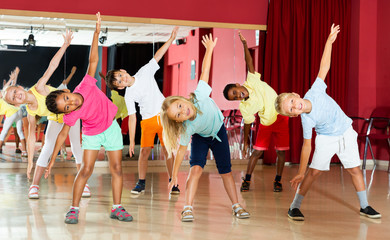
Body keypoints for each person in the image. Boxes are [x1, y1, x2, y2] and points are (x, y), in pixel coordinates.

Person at [274, 24, 381, 220]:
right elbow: (307, 146)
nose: (294, 106)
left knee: (354, 169)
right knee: (314, 173)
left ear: (296, 95)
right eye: (290, 110)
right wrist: (300, 171)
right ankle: (294, 207)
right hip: (326, 138)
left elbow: (324, 67)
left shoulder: (314, 91)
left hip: (346, 131)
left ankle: (365, 206)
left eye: (291, 101)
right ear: (294, 116)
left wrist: (329, 41)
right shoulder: (306, 119)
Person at [45, 12, 133, 224]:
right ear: (66, 112)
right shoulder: (72, 115)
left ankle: (117, 207)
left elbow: (93, 59)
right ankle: (73, 209)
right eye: (66, 107)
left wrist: (96, 32)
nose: (71, 103)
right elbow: (61, 136)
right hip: (92, 134)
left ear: (67, 91)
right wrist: (51, 161)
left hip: (111, 128)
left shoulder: (84, 85)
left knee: (117, 169)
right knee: (86, 169)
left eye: (67, 98)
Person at [162, 33, 250, 222]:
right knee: (196, 169)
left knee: (225, 170)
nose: (182, 111)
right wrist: (174, 174)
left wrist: (209, 49)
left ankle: (236, 205)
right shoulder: (186, 127)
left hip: (218, 132)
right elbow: (180, 151)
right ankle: (187, 207)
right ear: (178, 121)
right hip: (201, 137)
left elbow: (204, 72)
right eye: (177, 115)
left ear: (182, 100)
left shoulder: (199, 96)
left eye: (179, 106)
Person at [2, 29, 86, 199]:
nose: (17, 95)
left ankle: (83, 185)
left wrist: (65, 45)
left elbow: (52, 66)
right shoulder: (31, 112)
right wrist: (30, 161)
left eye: (15, 92)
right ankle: (34, 185)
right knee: (47, 146)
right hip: (56, 119)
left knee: (77, 147)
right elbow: (31, 137)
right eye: (13, 98)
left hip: (70, 113)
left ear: (19, 88)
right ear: (17, 104)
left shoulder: (39, 87)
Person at [104, 27, 179, 195]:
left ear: (123, 71)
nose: (122, 79)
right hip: (148, 122)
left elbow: (157, 56)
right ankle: (141, 182)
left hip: (164, 117)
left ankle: (173, 180)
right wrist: (131, 141)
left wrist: (170, 39)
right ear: (120, 87)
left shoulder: (144, 72)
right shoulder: (129, 95)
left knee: (168, 150)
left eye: (120, 76)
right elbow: (132, 118)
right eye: (119, 82)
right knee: (144, 152)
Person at [222, 32, 289, 192]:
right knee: (256, 153)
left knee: (281, 152)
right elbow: (247, 123)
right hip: (266, 123)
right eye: (234, 98)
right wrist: (245, 141)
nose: (238, 96)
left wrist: (245, 45)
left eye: (235, 92)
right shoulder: (244, 107)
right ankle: (247, 179)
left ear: (238, 85)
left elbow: (249, 61)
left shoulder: (252, 80)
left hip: (281, 118)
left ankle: (278, 180)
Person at [0, 67, 27, 156]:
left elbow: (7, 88)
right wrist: (15, 76)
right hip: (18, 112)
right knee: (19, 131)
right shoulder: (4, 96)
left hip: (11, 113)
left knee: (4, 131)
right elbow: (10, 86)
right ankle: (24, 151)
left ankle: (0, 147)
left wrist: (14, 77)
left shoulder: (4, 97)